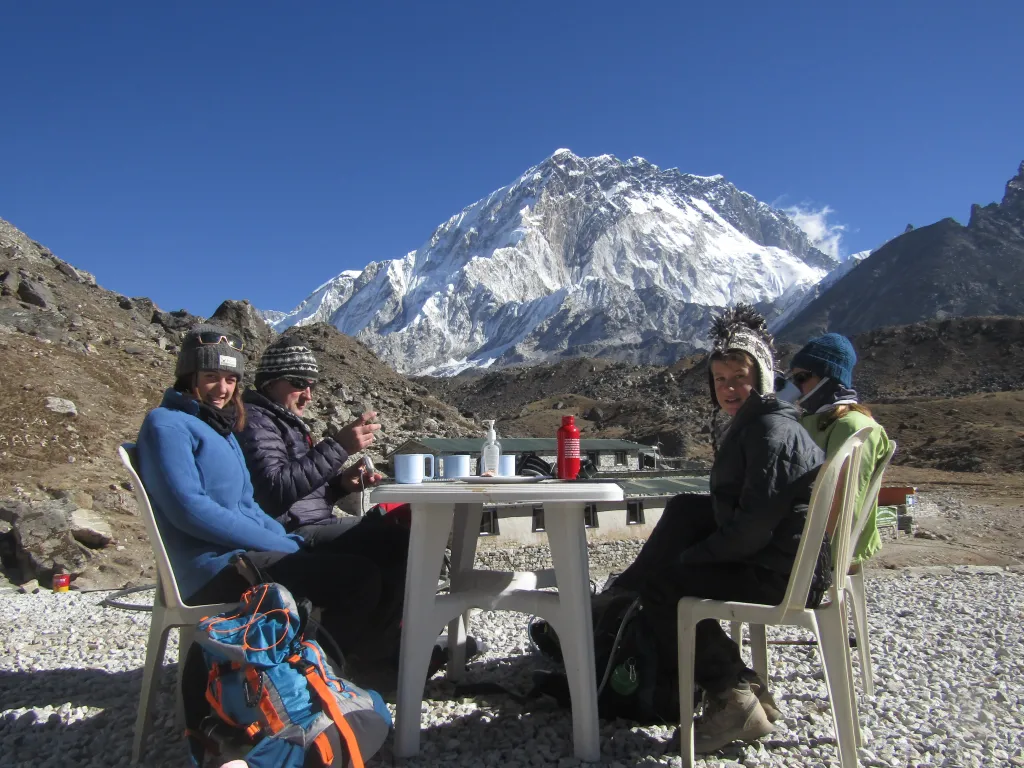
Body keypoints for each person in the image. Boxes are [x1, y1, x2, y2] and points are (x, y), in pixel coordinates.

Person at [610, 305, 828, 753]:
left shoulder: (770, 434)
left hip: (782, 574)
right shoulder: (765, 422)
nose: (729, 389)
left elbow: (750, 532)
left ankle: (731, 699)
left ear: (763, 378)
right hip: (785, 559)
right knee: (687, 508)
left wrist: (689, 559)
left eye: (740, 378)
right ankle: (623, 599)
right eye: (721, 380)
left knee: (664, 588)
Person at [135, 325, 403, 667]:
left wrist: (283, 537)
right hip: (213, 569)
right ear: (189, 375)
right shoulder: (167, 425)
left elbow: (247, 504)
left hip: (243, 555)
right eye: (211, 376)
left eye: (231, 379)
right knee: (357, 578)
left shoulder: (218, 428)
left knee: (367, 564)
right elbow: (191, 510)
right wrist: (284, 544)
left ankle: (353, 665)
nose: (222, 389)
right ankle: (320, 676)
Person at [236, 336, 385, 535]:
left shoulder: (284, 421)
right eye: (299, 384)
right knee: (391, 536)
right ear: (269, 383)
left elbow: (300, 494)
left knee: (399, 525)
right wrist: (339, 447)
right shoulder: (254, 421)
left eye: (312, 386)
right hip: (291, 534)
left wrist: (340, 485)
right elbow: (274, 490)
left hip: (315, 523)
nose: (308, 396)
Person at [785, 333, 893, 565]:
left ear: (830, 377)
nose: (796, 388)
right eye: (792, 380)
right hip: (801, 535)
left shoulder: (853, 427)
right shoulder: (811, 421)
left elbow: (843, 501)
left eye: (802, 378)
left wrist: (817, 558)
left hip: (821, 550)